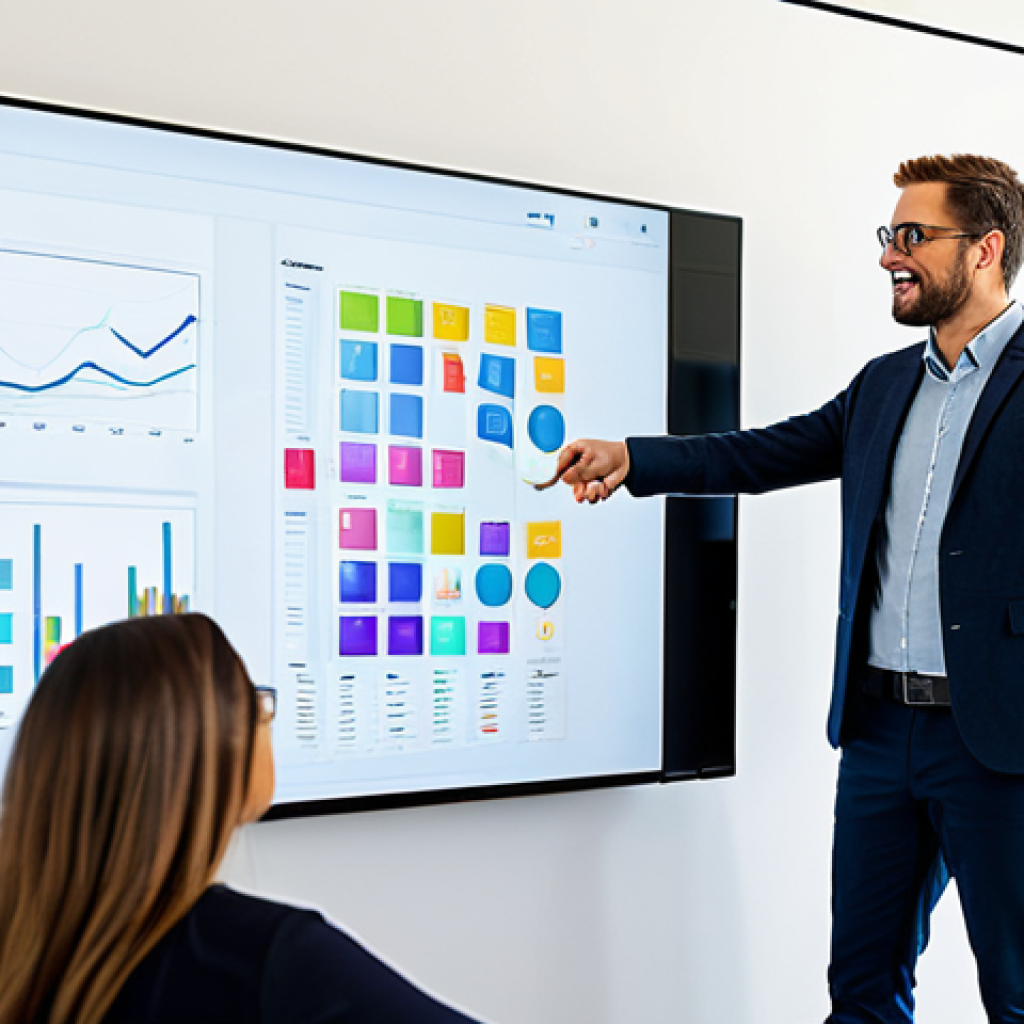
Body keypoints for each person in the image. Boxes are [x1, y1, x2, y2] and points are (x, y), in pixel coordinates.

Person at [542, 155, 1024, 1022]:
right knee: (860, 989)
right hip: (880, 735)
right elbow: (759, 454)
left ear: (985, 250)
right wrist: (633, 457)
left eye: (914, 236)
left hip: (998, 743)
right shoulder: (885, 386)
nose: (890, 255)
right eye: (890, 235)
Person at [0, 613, 480, 1024]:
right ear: (205, 757)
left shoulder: (23, 949)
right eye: (255, 702)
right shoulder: (271, 958)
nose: (265, 716)